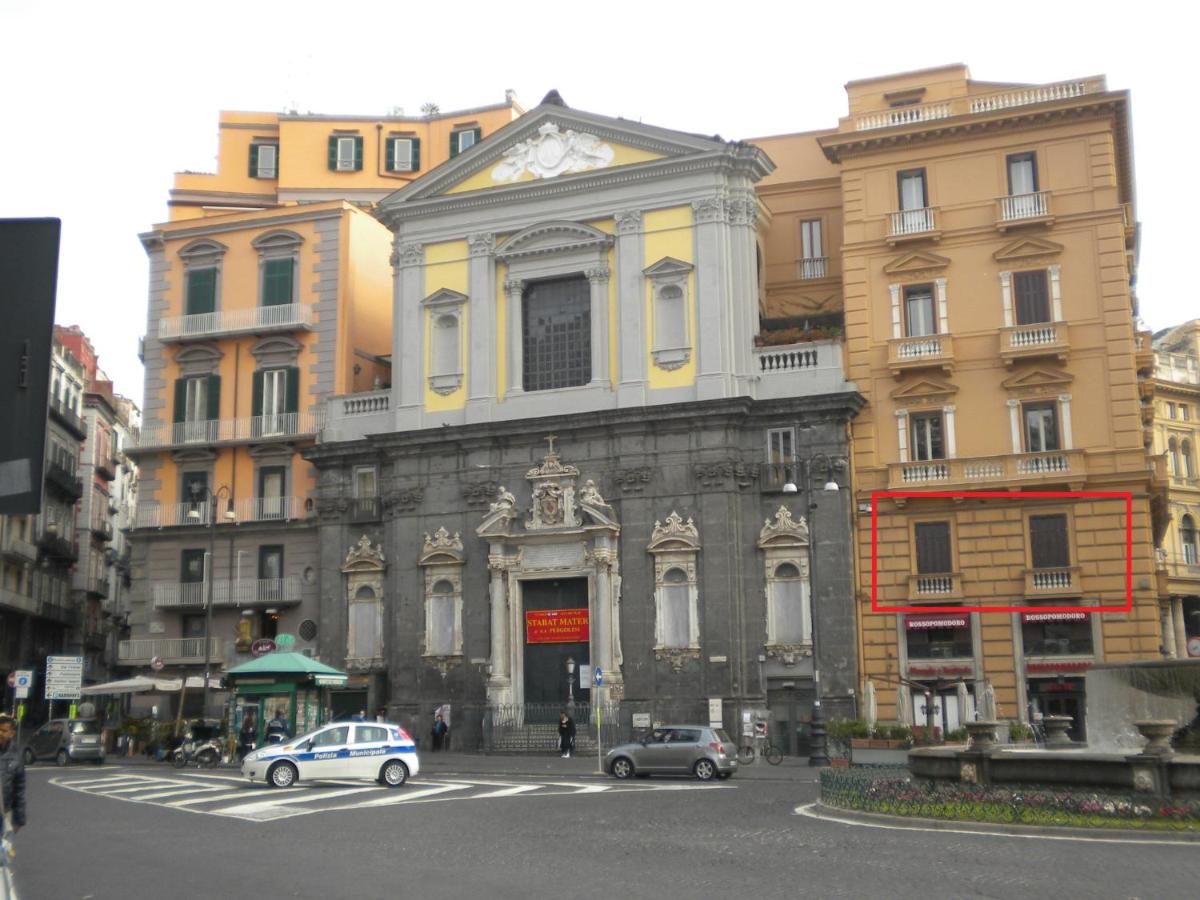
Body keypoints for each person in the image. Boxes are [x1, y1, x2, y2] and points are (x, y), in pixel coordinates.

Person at [0, 714, 26, 845]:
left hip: (6, 812)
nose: (0, 733)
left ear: (12, 734)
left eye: (4, 731)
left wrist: (19, 819)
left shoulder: (16, 755)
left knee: (3, 854)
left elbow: (19, 789)